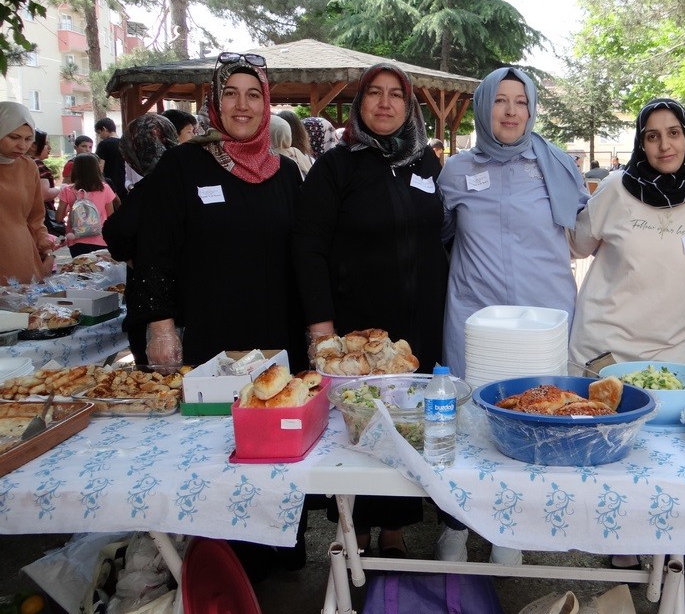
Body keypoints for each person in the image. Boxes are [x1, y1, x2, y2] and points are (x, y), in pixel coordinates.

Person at [293, 62, 447, 560]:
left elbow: (444, 233)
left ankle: (395, 528)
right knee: (358, 426)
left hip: (417, 325)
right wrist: (321, 327)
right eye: (374, 94)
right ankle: (355, 526)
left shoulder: (426, 163)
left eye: (395, 95)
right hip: (359, 331)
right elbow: (309, 247)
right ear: (359, 105)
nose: (384, 103)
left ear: (409, 106)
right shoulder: (336, 167)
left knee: (405, 422)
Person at [436, 66, 588, 565]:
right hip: (474, 316)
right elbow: (435, 236)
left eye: (520, 102)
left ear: (531, 109)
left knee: (531, 418)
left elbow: (590, 230)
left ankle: (510, 525)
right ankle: (455, 527)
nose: (510, 111)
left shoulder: (556, 164)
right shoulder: (456, 171)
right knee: (467, 423)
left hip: (541, 319)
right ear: (483, 107)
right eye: (500, 101)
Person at [133, 52, 305, 370]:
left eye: (253, 95)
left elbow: (304, 254)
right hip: (210, 339)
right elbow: (153, 251)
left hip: (280, 340)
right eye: (231, 94)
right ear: (216, 102)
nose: (242, 105)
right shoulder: (182, 165)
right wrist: (161, 330)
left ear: (265, 105)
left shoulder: (286, 173)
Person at [568, 100, 685, 371]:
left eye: (673, 133)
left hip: (669, 359)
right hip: (600, 351)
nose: (664, 145)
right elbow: (575, 245)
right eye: (652, 136)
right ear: (641, 143)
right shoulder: (616, 189)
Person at [103, 113, 180, 363]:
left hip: (159, 309)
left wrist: (134, 258)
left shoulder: (149, 190)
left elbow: (116, 232)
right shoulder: (187, 179)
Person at [0, 102, 55, 282]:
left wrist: (46, 248)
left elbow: (35, 216)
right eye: (14, 137)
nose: (22, 145)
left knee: (23, 306)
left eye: (28, 139)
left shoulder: (28, 166)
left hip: (22, 254)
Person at [56, 153, 117, 257]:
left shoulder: (67, 190)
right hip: (101, 238)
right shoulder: (105, 188)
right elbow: (111, 217)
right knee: (99, 270)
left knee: (80, 270)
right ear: (96, 169)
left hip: (76, 239)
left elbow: (58, 217)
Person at [95, 117, 128, 202]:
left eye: (99, 133)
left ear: (104, 129)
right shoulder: (125, 143)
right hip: (125, 183)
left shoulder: (104, 144)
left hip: (109, 184)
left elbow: (99, 167)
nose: (100, 136)